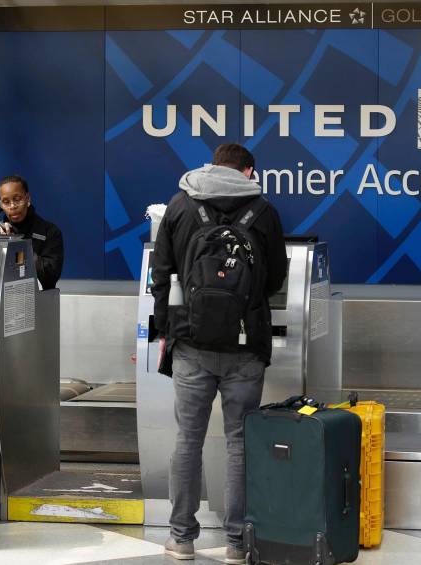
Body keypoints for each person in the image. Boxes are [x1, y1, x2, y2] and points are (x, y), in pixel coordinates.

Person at [151, 144, 287, 564]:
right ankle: (237, 542)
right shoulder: (262, 210)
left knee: (187, 439)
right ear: (247, 170)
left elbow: (161, 273)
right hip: (245, 345)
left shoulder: (179, 203)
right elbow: (276, 277)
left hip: (191, 342)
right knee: (239, 441)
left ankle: (182, 538)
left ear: (211, 165)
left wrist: (165, 331)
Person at [0, 175, 64, 290]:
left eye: (17, 199)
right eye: (6, 202)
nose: (12, 206)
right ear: (0, 206)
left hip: (38, 301)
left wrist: (17, 245)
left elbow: (50, 276)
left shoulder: (50, 232)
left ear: (27, 198)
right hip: (1, 299)